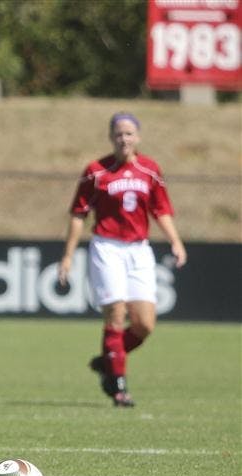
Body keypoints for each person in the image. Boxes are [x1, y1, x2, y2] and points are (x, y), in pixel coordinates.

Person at [58, 112, 187, 408]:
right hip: (107, 247)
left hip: (139, 249)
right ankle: (118, 387)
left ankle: (108, 361)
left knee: (144, 325)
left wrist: (175, 241)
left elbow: (160, 209)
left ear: (138, 137)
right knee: (116, 314)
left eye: (129, 133)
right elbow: (78, 214)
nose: (123, 139)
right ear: (110, 137)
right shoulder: (96, 171)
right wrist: (67, 256)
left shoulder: (150, 170)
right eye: (118, 133)